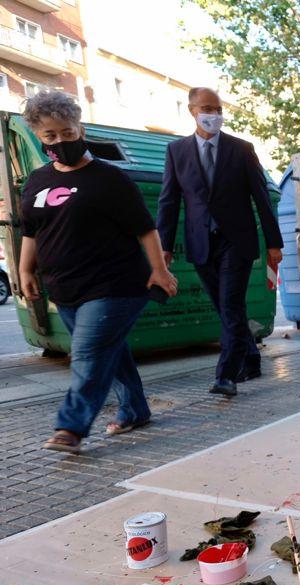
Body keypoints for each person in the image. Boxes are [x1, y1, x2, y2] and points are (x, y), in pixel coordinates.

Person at [18, 90, 178, 454]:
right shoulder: (37, 180)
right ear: (39, 136)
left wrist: (159, 271)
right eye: (50, 135)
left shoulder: (109, 178)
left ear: (81, 130)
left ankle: (70, 427)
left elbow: (146, 229)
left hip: (115, 284)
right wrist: (26, 270)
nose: (61, 141)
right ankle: (135, 410)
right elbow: (31, 231)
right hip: (65, 287)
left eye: (68, 132)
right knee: (110, 350)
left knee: (88, 353)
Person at [157, 87, 283, 397]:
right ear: (192, 111)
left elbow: (261, 197)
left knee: (230, 304)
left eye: (217, 109)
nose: (213, 114)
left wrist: (273, 243)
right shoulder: (176, 151)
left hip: (236, 241)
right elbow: (169, 201)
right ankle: (250, 358)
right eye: (206, 108)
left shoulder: (241, 149)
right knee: (226, 308)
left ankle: (226, 375)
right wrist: (164, 247)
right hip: (201, 243)